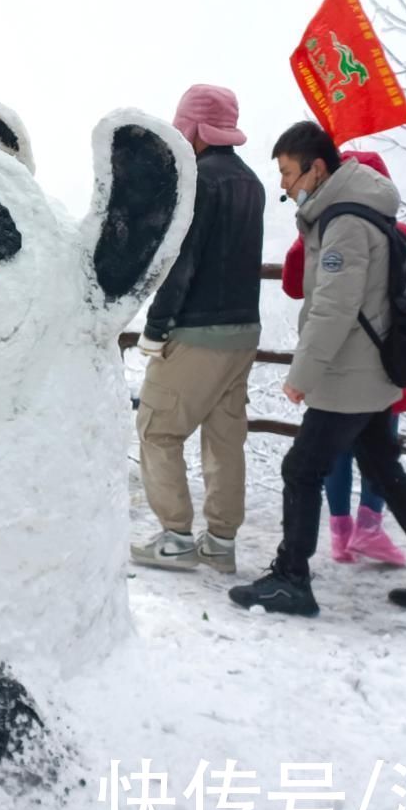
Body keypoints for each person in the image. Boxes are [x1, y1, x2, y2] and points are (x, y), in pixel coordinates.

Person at [229, 120, 406, 616]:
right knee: (384, 468)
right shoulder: (355, 210)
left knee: (301, 469)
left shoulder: (344, 223)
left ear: (317, 168)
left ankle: (291, 579)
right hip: (372, 370)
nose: (285, 185)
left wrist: (302, 375)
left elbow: (333, 308)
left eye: (288, 173)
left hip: (351, 374)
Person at [130, 84, 265, 575]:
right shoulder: (251, 182)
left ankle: (176, 538)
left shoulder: (200, 183)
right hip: (243, 330)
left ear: (194, 128)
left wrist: (157, 327)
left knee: (157, 428)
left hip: (198, 331)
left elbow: (181, 263)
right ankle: (221, 541)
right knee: (224, 437)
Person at [280, 149, 406, 568]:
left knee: (333, 453)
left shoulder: (331, 231)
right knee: (381, 449)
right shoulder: (398, 232)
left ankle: (339, 534)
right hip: (385, 359)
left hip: (339, 363)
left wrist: (309, 236)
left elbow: (292, 284)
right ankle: (370, 529)